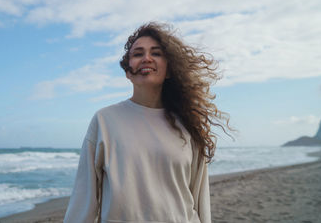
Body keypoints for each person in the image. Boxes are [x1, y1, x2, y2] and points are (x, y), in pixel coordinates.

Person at [64, 22, 230, 223]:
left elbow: (199, 199)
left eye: (156, 53)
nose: (146, 58)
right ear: (127, 71)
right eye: (137, 54)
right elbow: (84, 200)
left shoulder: (188, 125)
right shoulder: (104, 121)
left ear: (169, 70)